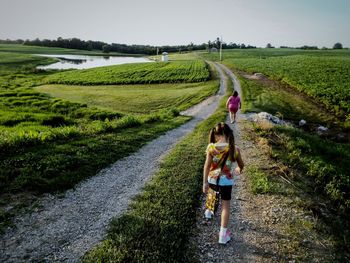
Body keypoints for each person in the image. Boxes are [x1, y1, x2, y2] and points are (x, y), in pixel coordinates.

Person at [203, 122, 244, 244]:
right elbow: (241, 165)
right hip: (226, 181)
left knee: (212, 194)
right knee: (225, 206)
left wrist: (204, 182)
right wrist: (238, 169)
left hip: (212, 178)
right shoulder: (234, 149)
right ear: (228, 134)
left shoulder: (211, 147)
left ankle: (209, 212)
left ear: (217, 134)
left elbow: (207, 166)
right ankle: (223, 235)